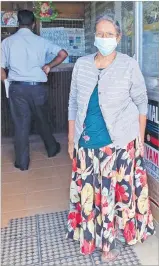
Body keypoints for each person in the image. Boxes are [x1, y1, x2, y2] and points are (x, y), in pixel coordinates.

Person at [67, 15, 155, 262]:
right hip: (86, 144)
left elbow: (141, 103)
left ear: (118, 38)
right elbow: (73, 102)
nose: (103, 39)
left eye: (109, 34)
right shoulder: (82, 65)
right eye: (100, 34)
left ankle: (110, 241)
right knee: (91, 194)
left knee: (115, 195)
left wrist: (138, 139)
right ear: (94, 36)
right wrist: (71, 138)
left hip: (119, 145)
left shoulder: (128, 65)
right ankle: (92, 235)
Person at [1, 10, 68, 171]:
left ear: (18, 23)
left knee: (21, 124)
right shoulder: (41, 41)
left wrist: (7, 82)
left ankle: (22, 163)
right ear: (33, 24)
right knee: (43, 120)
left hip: (17, 88)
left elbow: (1, 69)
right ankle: (52, 149)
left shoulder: (7, 42)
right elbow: (63, 54)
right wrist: (48, 66)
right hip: (38, 88)